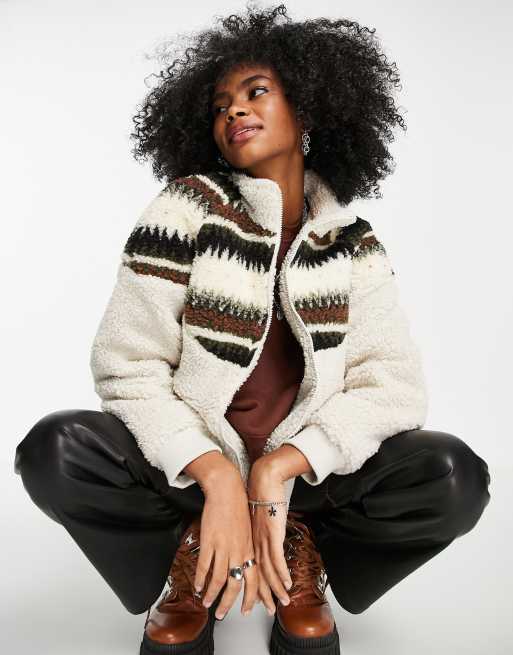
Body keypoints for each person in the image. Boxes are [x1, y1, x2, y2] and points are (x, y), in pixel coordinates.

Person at [14, 4, 491, 655]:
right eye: (220, 106)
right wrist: (213, 472)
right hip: (187, 477)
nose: (233, 111)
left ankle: (299, 553)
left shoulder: (352, 244)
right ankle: (189, 557)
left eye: (255, 91)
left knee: (455, 475)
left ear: (308, 110)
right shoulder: (185, 209)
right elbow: (128, 366)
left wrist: (280, 470)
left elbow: (393, 387)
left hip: (307, 489)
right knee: (56, 449)